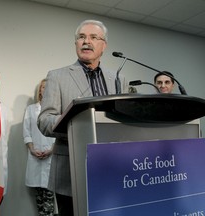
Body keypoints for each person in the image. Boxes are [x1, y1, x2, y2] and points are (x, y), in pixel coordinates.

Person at [37, 20, 128, 215]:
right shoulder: (57, 76)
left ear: (104, 45)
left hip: (111, 169)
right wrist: (72, 121)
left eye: (94, 37)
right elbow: (44, 121)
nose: (86, 41)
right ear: (76, 43)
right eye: (81, 37)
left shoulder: (118, 78)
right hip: (71, 171)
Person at [23, 79, 56, 216]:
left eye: (48, 87)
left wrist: (52, 150)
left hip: (51, 156)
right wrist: (32, 149)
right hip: (35, 156)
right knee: (39, 199)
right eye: (43, 87)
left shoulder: (56, 110)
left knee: (49, 199)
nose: (45, 89)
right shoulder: (31, 109)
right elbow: (26, 131)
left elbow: (59, 133)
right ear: (40, 90)